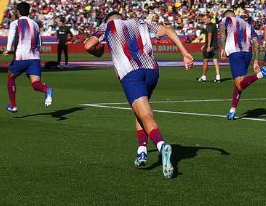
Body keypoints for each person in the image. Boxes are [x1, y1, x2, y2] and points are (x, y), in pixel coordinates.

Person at [83, 10, 194, 178]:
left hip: (131, 73)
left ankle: (161, 145)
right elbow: (169, 30)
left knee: (145, 114)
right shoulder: (139, 22)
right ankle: (142, 150)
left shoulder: (108, 26)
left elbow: (87, 45)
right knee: (140, 111)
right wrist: (184, 53)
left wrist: (98, 52)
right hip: (152, 72)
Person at [220, 6, 266, 120]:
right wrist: (255, 60)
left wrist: (223, 48)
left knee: (239, 84)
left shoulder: (227, 19)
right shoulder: (247, 25)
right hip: (247, 53)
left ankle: (261, 74)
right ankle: (232, 110)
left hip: (235, 52)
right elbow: (256, 42)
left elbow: (222, 31)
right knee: (239, 83)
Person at [1, 1, 52, 113]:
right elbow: (39, 41)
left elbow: (11, 35)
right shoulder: (35, 24)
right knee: (35, 84)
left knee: (10, 77)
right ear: (28, 11)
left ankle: (13, 106)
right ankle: (46, 89)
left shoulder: (15, 23)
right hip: (34, 58)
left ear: (18, 11)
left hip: (20, 57)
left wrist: (8, 49)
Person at [197, 13, 222, 83]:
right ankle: (218, 77)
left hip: (210, 46)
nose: (203, 20)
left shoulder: (208, 26)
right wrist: (204, 45)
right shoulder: (214, 25)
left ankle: (204, 77)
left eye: (205, 19)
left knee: (205, 61)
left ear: (209, 19)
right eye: (203, 19)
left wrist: (208, 46)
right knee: (215, 61)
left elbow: (210, 36)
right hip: (215, 46)